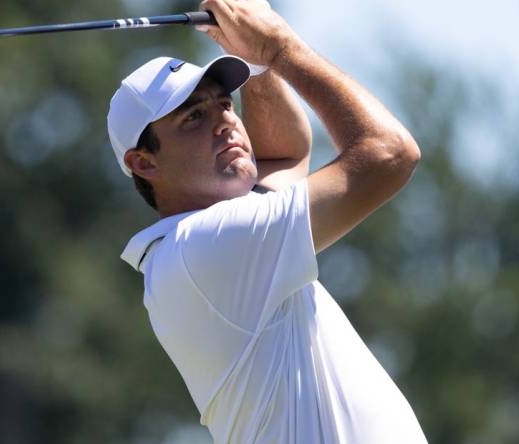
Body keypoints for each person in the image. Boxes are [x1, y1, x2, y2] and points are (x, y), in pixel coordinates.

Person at [106, 0, 427, 442]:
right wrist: (279, 48)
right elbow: (390, 154)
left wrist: (255, 63)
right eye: (194, 117)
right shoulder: (205, 247)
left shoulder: (207, 239)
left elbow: (284, 154)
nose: (225, 123)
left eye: (224, 104)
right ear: (143, 163)